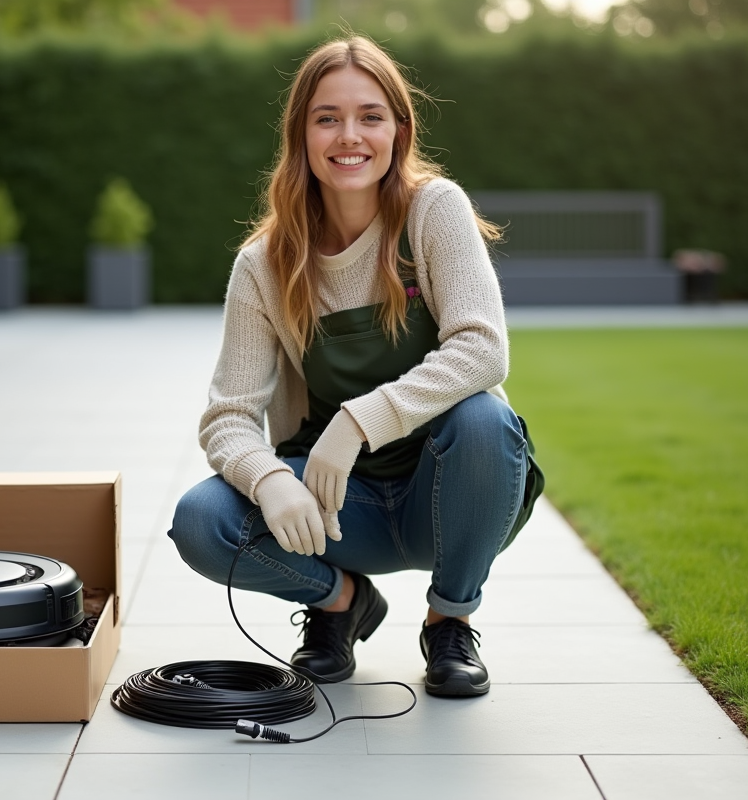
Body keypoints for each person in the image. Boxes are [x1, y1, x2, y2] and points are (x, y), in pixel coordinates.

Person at [168, 35, 543, 697]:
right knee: (201, 520)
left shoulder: (433, 211)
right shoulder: (265, 263)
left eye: (370, 116)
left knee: (486, 419)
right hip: (338, 515)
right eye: (327, 117)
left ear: (400, 130)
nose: (350, 136)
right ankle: (339, 604)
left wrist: (357, 422)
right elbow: (228, 418)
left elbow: (484, 349)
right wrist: (269, 482)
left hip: (451, 496)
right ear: (301, 134)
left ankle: (450, 621)